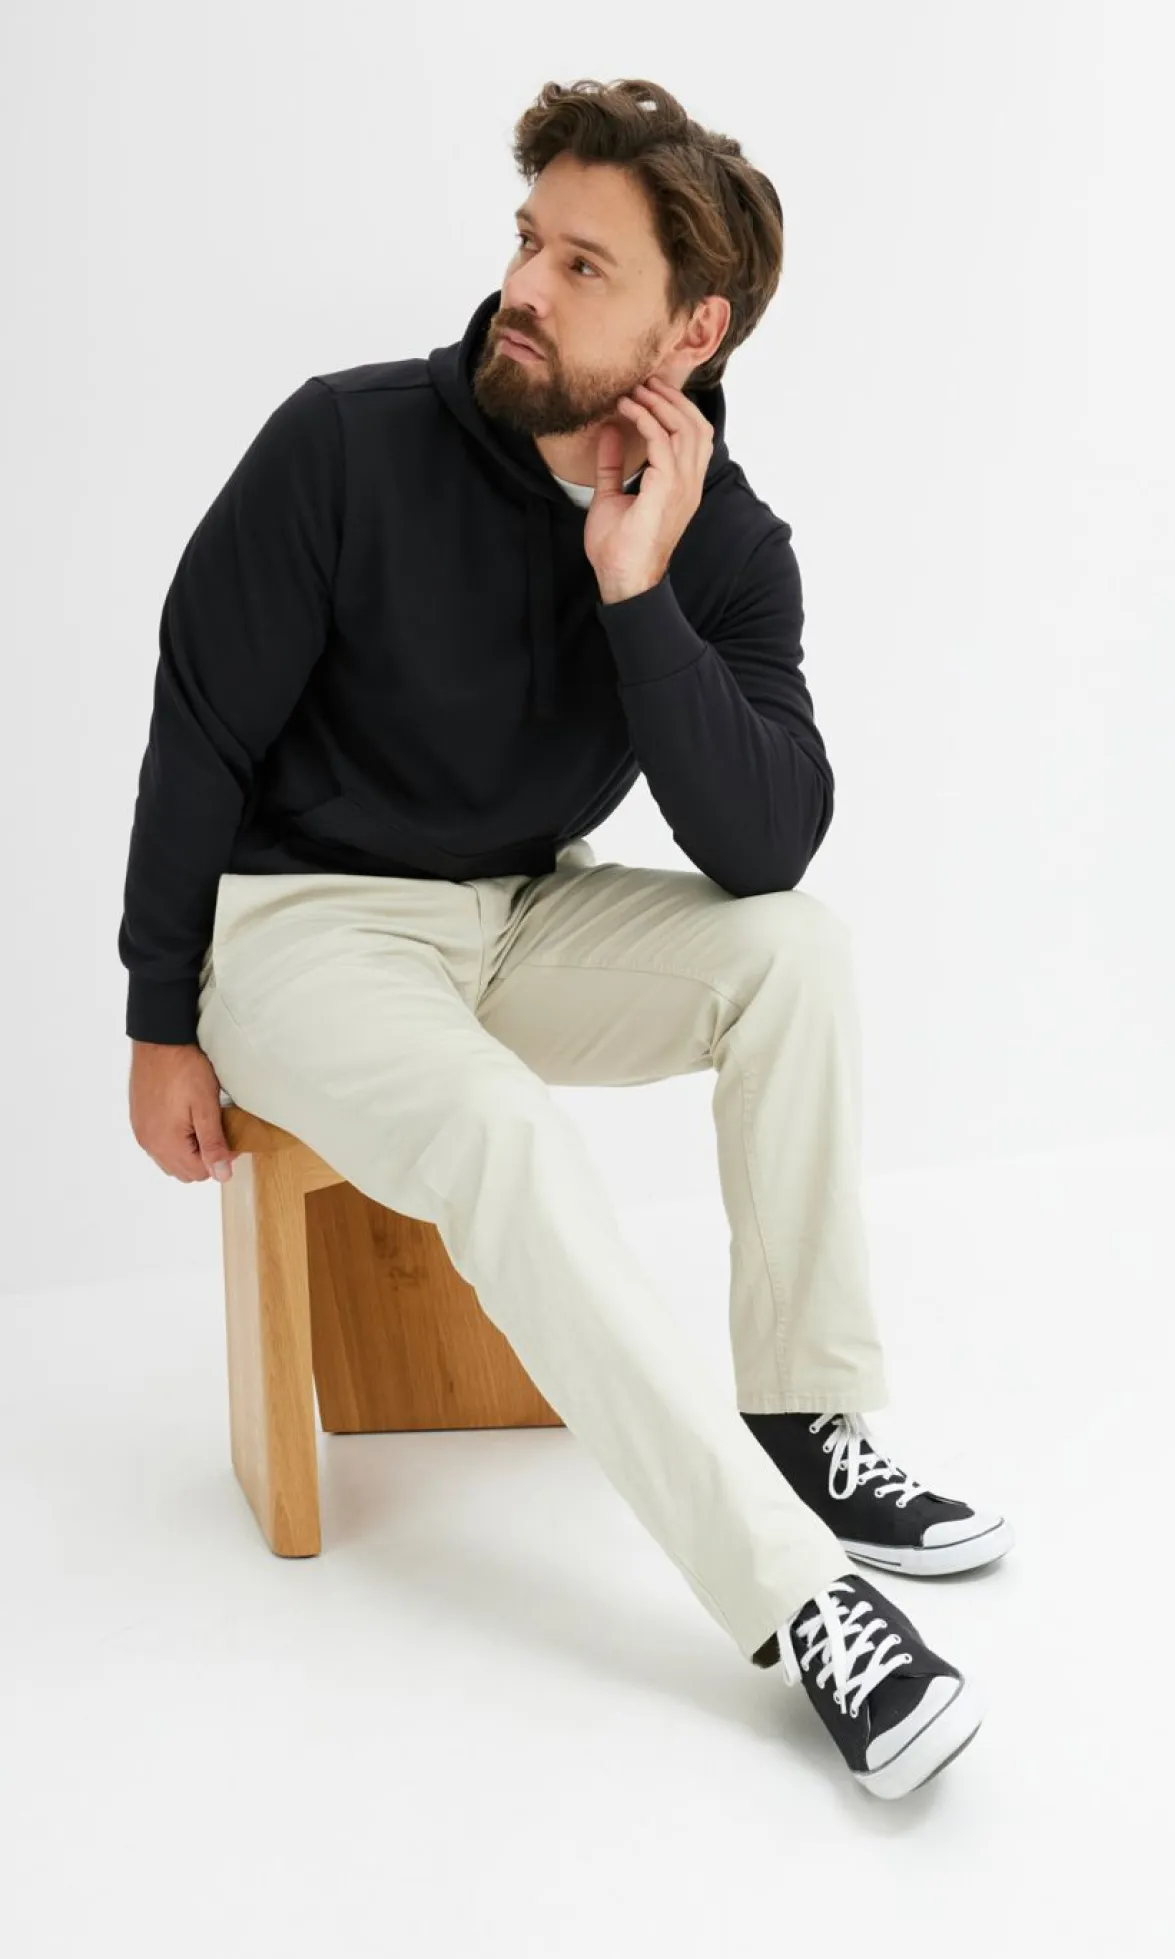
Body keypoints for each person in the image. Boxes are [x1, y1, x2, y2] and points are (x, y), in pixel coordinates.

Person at [120, 76, 1014, 1802]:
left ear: (694, 331)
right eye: (530, 240)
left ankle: (804, 1419)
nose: (522, 286)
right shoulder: (344, 443)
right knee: (503, 1133)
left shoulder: (720, 545)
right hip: (303, 928)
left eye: (583, 266)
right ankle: (801, 1601)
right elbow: (198, 727)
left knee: (797, 957)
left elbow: (764, 846)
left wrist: (637, 591)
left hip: (519, 907)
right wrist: (162, 1014)